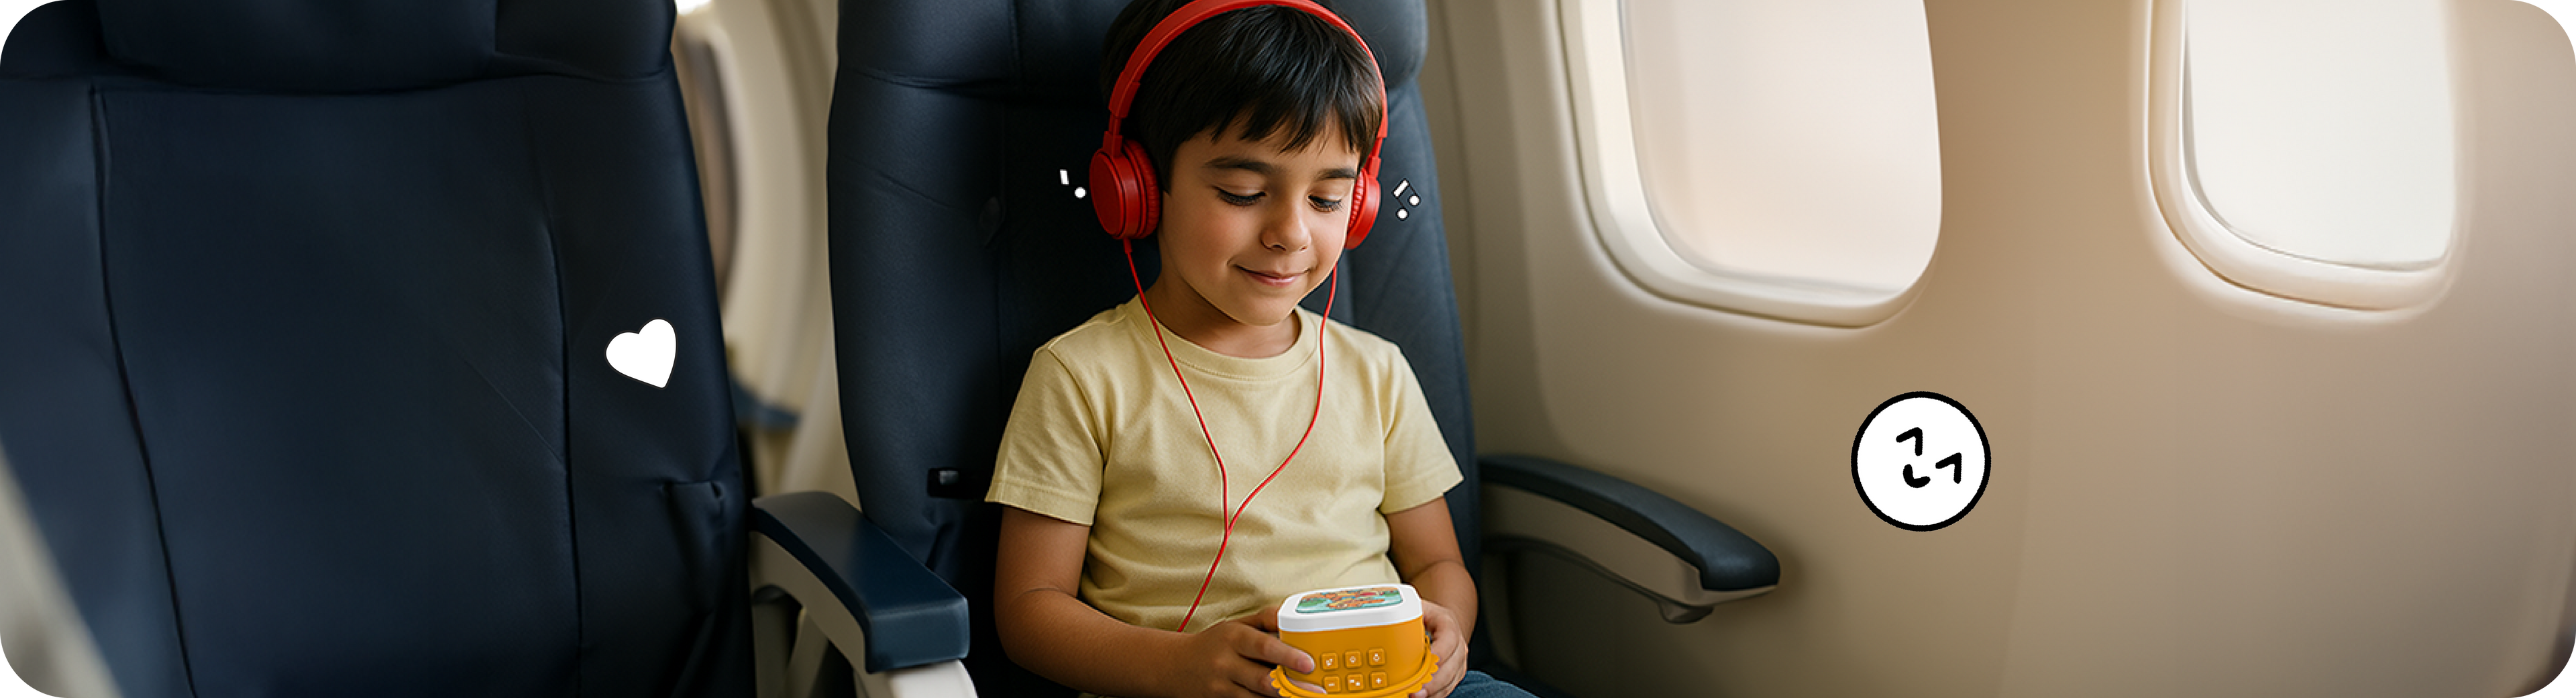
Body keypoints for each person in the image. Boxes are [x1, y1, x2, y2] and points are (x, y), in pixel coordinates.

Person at [987, 1, 1534, 697]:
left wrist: (1447, 630)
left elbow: (1437, 566)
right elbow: (1031, 609)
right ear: (1138, 189)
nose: (1291, 233)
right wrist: (1174, 664)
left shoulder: (1377, 372)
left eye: (1329, 200)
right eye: (1243, 191)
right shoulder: (1081, 375)